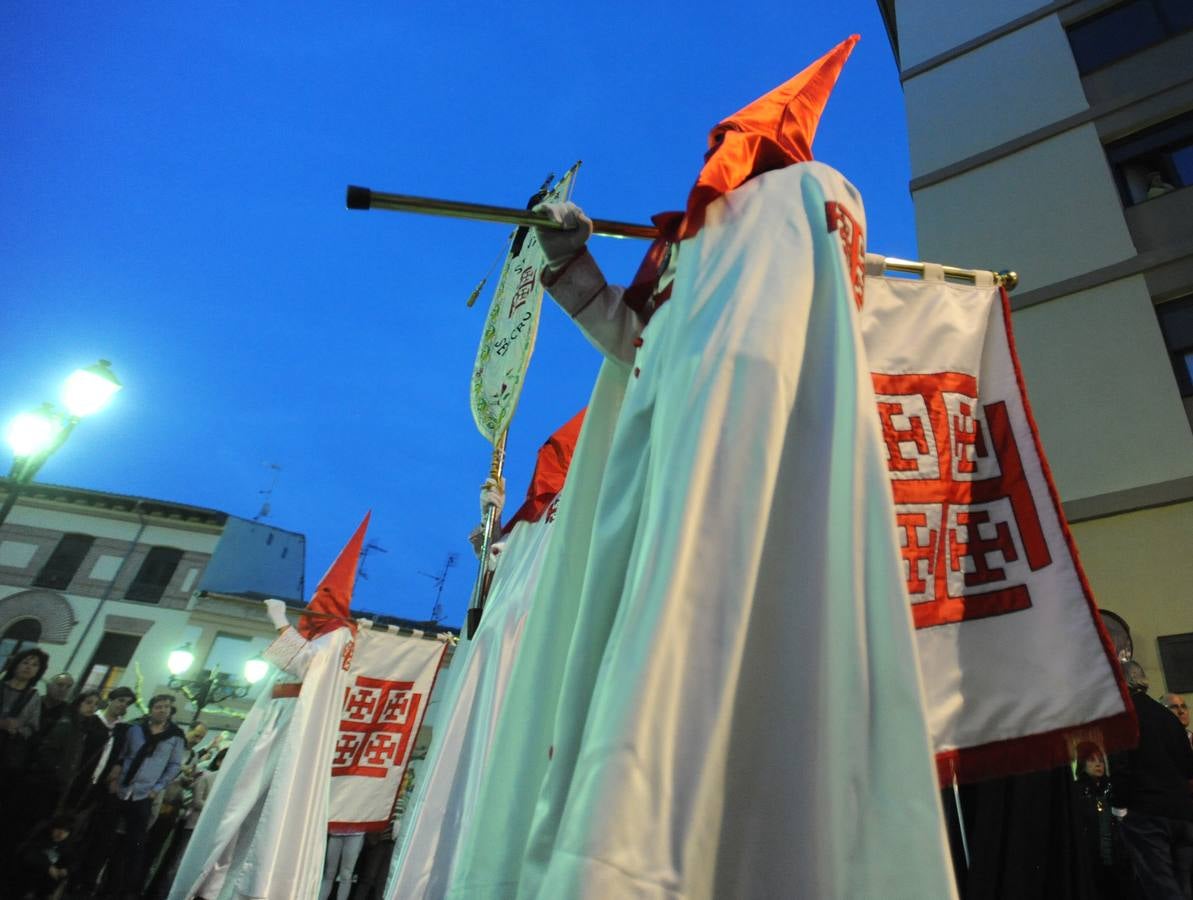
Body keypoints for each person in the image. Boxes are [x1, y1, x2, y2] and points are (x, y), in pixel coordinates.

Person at [1113, 661, 1193, 898]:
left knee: (1161, 888)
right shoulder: (1168, 717)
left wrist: (1119, 805)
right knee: (1184, 886)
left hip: (1147, 814)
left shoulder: (1124, 717)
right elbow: (1188, 765)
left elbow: (1121, 765)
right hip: (1182, 813)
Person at [110, 693, 186, 897]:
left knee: (135, 845)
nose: (162, 710)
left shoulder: (176, 736)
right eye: (159, 706)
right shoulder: (136, 729)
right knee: (110, 839)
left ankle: (127, 891)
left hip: (144, 795)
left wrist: (157, 787)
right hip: (122, 790)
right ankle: (106, 885)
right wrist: (115, 778)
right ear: (151, 709)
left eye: (166, 707)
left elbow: (174, 765)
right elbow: (123, 754)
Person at [26, 689, 99, 829]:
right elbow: (47, 750)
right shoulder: (67, 724)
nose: (92, 707)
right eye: (88, 702)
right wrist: (57, 770)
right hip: (46, 780)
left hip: (58, 782)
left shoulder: (81, 727)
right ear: (79, 703)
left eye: (96, 704)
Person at [1072, 741, 1132, 899]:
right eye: (1092, 760)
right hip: (1091, 858)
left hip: (1116, 857)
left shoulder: (1112, 787)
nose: (1098, 764)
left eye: (1100, 760)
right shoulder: (1077, 790)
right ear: (1083, 764)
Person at [10, 814, 75, 900]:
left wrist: (66, 870)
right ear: (52, 828)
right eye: (59, 829)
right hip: (24, 879)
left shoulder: (66, 846)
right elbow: (27, 854)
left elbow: (71, 861)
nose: (61, 834)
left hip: (43, 886)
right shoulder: (40, 837)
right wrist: (48, 867)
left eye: (66, 831)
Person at [36, 672, 75, 740]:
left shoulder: (70, 713)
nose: (63, 690)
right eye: (60, 685)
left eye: (68, 687)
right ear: (48, 686)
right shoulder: (34, 702)